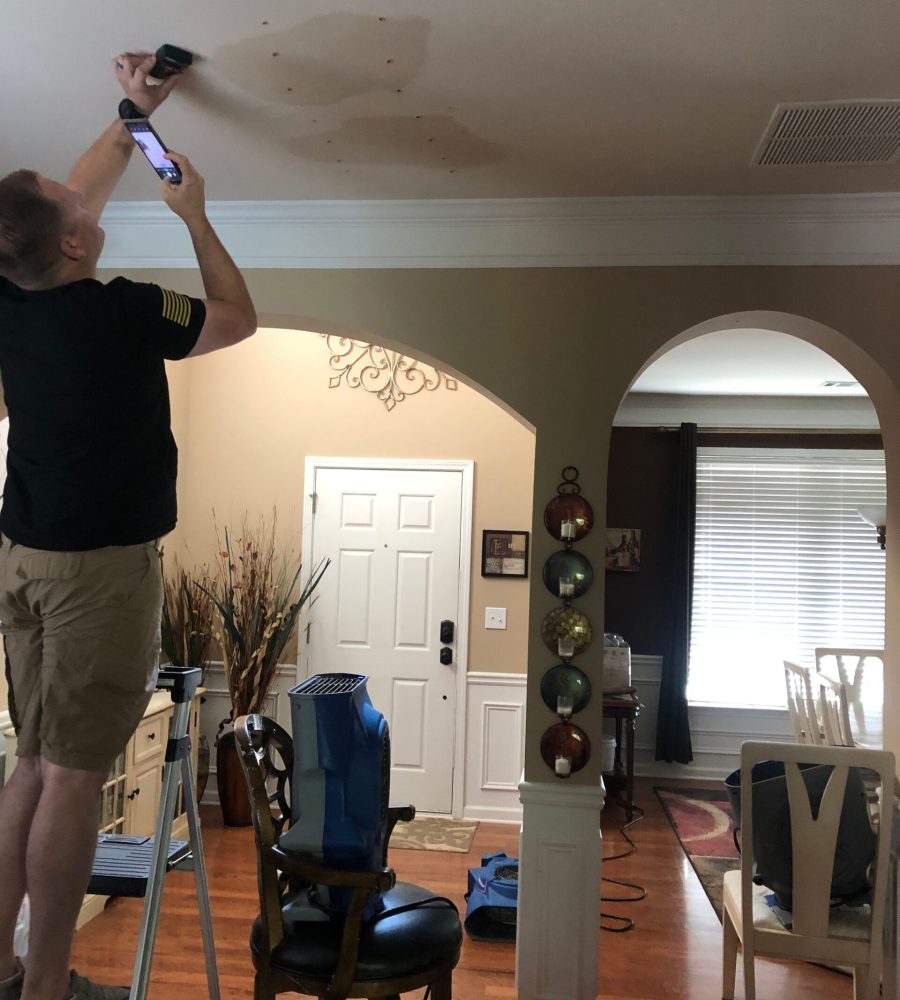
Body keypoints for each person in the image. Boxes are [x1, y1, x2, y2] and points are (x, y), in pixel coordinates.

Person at [0, 52, 257, 1000]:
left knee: (30, 767)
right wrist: (195, 216)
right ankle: (45, 988)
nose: (84, 194)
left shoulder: (10, 291)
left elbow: (72, 196)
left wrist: (133, 113)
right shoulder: (124, 313)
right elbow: (237, 317)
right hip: (97, 574)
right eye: (74, 205)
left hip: (22, 559)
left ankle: (3, 970)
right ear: (74, 243)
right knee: (71, 779)